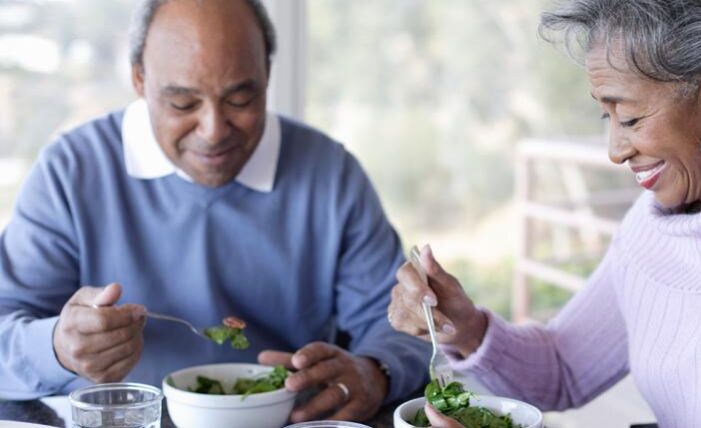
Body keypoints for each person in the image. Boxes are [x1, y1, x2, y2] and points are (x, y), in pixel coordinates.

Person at [389, 0, 701, 427]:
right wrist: (465, 327)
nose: (615, 150)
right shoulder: (667, 215)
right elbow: (565, 369)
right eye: (605, 118)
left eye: (630, 118)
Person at [0, 0, 429, 423]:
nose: (213, 131)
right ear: (139, 79)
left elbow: (402, 322)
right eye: (183, 104)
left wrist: (376, 372)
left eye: (241, 99)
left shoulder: (329, 173)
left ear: (267, 76)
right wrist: (57, 346)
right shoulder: (72, 171)